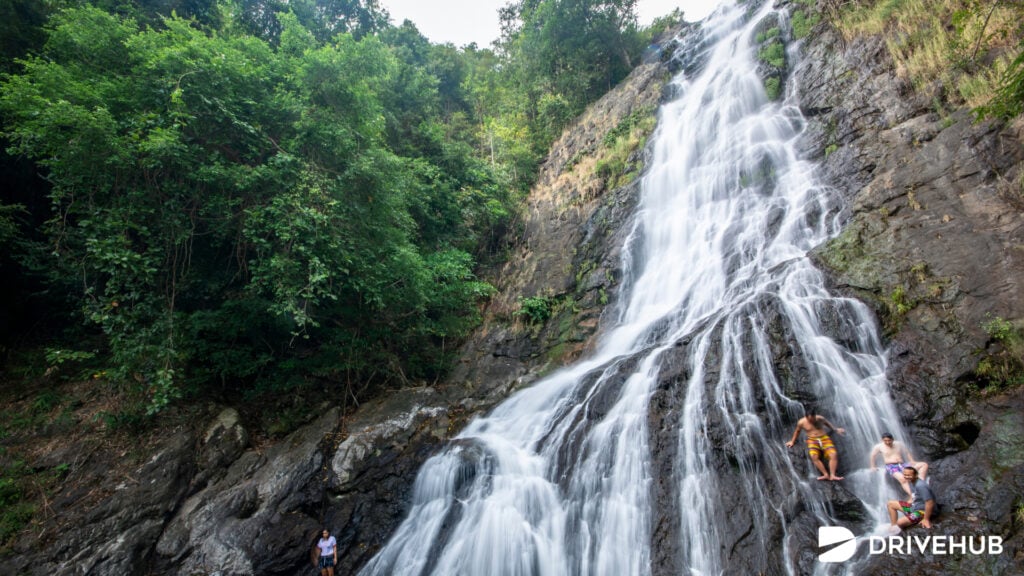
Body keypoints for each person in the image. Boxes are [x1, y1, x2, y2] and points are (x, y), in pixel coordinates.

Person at [785, 405, 846, 480]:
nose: (811, 421)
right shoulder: (801, 422)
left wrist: (835, 429)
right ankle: (825, 474)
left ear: (815, 416)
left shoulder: (820, 418)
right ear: (806, 417)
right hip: (812, 439)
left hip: (824, 438)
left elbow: (827, 423)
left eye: (813, 419)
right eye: (809, 419)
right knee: (814, 456)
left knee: (833, 454)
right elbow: (797, 431)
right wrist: (792, 441)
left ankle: (832, 475)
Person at [887, 466, 935, 530]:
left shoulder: (921, 485)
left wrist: (926, 519)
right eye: (905, 475)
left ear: (915, 475)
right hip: (914, 507)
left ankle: (900, 528)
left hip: (922, 511)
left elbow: (930, 502)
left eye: (909, 475)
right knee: (891, 504)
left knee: (900, 522)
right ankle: (893, 526)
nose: (906, 477)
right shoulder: (911, 482)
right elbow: (915, 496)